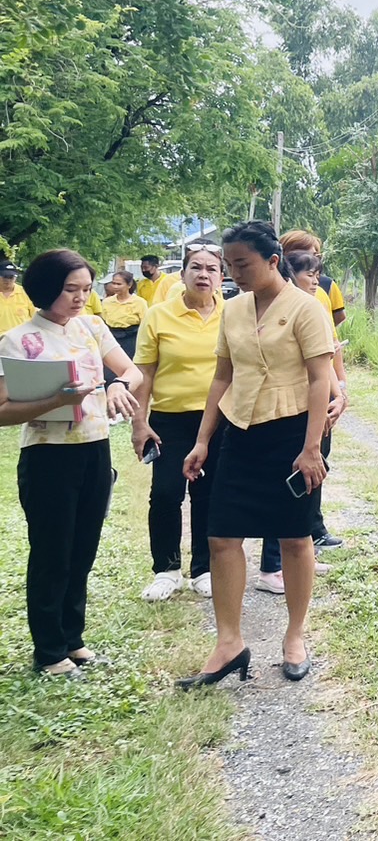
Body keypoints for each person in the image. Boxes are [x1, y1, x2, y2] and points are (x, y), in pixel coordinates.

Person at [176, 221, 336, 689]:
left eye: (241, 264)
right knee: (222, 536)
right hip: (240, 431)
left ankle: (294, 636)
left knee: (293, 536)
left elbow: (318, 380)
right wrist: (204, 440)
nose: (234, 273)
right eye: (230, 265)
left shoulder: (307, 309)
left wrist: (311, 449)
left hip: (293, 435)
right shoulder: (234, 310)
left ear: (271, 261)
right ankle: (228, 643)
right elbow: (222, 376)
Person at [0, 250, 142, 675]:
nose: (81, 298)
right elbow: (3, 410)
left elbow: (131, 371)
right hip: (47, 456)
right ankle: (48, 650)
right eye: (70, 290)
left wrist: (118, 385)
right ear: (46, 290)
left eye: (85, 289)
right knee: (52, 552)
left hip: (95, 449)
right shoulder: (18, 340)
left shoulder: (93, 327)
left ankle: (72, 638)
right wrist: (57, 400)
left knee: (83, 547)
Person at [131, 245, 226, 603]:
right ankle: (167, 570)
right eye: (196, 268)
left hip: (218, 419)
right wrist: (139, 423)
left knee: (209, 495)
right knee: (167, 493)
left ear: (221, 276)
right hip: (168, 419)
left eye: (211, 269)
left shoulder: (231, 315)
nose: (203, 275)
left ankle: (203, 569)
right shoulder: (158, 316)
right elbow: (145, 372)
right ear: (182, 273)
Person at [257, 249, 346, 593]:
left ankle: (300, 553)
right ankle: (272, 566)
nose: (316, 280)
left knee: (308, 484)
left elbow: (330, 354)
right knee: (286, 486)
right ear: (288, 272)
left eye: (317, 273)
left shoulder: (315, 302)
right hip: (291, 410)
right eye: (309, 274)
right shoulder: (278, 307)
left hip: (319, 404)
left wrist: (340, 394)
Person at [281, 230, 347, 328]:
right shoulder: (273, 289)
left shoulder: (327, 285)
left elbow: (339, 317)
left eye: (316, 256)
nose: (312, 261)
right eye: (305, 257)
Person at [100, 270, 149, 358]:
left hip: (132, 339)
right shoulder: (107, 302)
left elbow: (145, 325)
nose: (115, 287)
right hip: (112, 338)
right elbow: (104, 320)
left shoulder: (139, 302)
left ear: (129, 285)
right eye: (113, 283)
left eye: (119, 284)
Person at [0, 259, 35, 332]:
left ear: (16, 277)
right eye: (5, 276)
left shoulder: (26, 293)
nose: (8, 280)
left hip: (21, 339)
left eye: (11, 277)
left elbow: (36, 317)